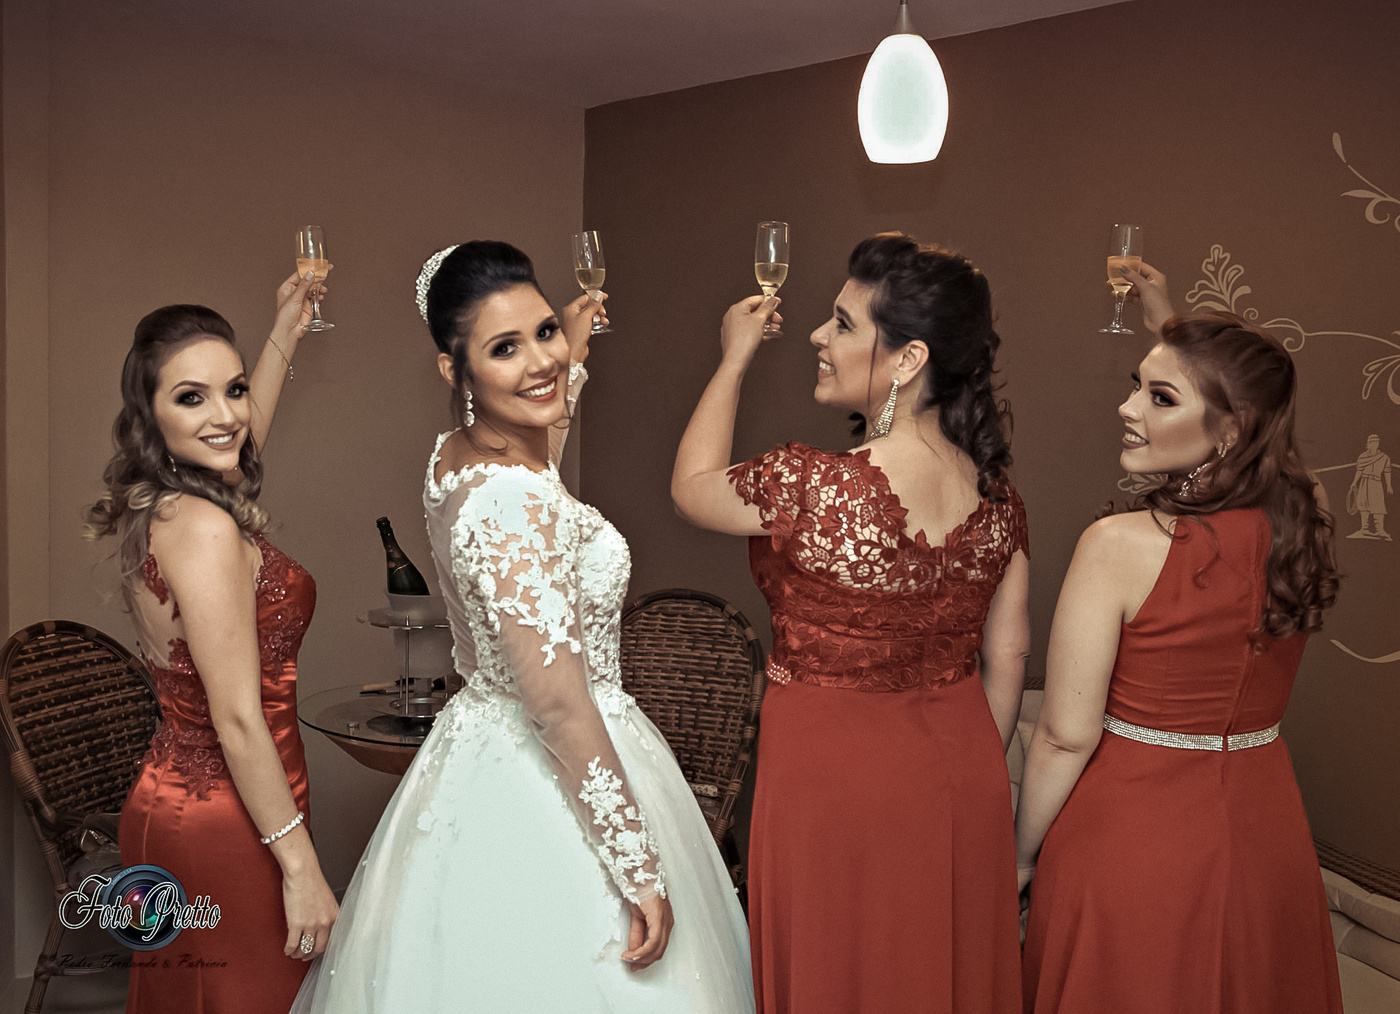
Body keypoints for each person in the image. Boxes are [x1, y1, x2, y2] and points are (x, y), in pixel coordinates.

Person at [289, 241, 753, 1014]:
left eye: (544, 333)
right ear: (455, 371)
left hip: (479, 743)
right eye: (504, 348)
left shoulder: (459, 459)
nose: (540, 361)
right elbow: (559, 705)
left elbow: (542, 477)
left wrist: (572, 354)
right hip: (550, 767)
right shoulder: (510, 501)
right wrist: (635, 863)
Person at [672, 232, 1029, 1014]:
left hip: (831, 781)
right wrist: (964, 772)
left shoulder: (812, 485)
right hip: (961, 776)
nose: (817, 337)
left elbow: (691, 486)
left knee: (841, 974)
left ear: (908, 360)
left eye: (841, 324)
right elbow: (1008, 659)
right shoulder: (1000, 502)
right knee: (937, 976)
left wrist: (734, 357)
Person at [1015, 263, 1343, 1013]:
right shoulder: (1308, 518)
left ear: (1233, 428)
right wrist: (1172, 326)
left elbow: (1064, 736)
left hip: (1130, 837)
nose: (1127, 407)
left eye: (1160, 397)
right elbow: (1275, 442)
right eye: (1136, 385)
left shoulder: (1117, 545)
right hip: (1266, 833)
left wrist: (1022, 857)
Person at [85, 272, 339, 1012]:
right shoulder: (202, 528)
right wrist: (300, 867)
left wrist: (285, 328)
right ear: (150, 415)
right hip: (225, 822)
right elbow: (236, 718)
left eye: (234, 390)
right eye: (190, 398)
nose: (226, 415)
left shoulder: (176, 502)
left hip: (208, 804)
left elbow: (232, 437)